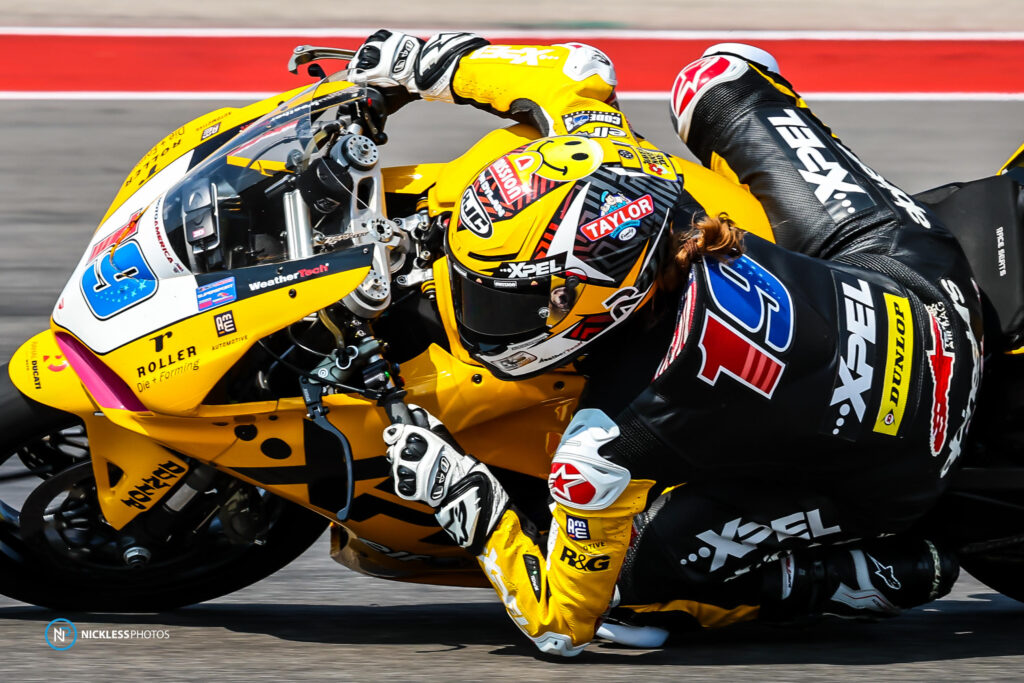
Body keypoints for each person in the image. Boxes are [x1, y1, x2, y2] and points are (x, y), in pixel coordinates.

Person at [347, 31, 984, 656]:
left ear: (601, 298)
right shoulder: (614, 163)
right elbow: (574, 69)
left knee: (627, 590)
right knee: (719, 80)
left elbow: (559, 623)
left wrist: (464, 499)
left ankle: (847, 579)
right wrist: (426, 62)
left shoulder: (601, 447)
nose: (473, 307)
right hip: (927, 293)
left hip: (901, 472)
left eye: (506, 299)